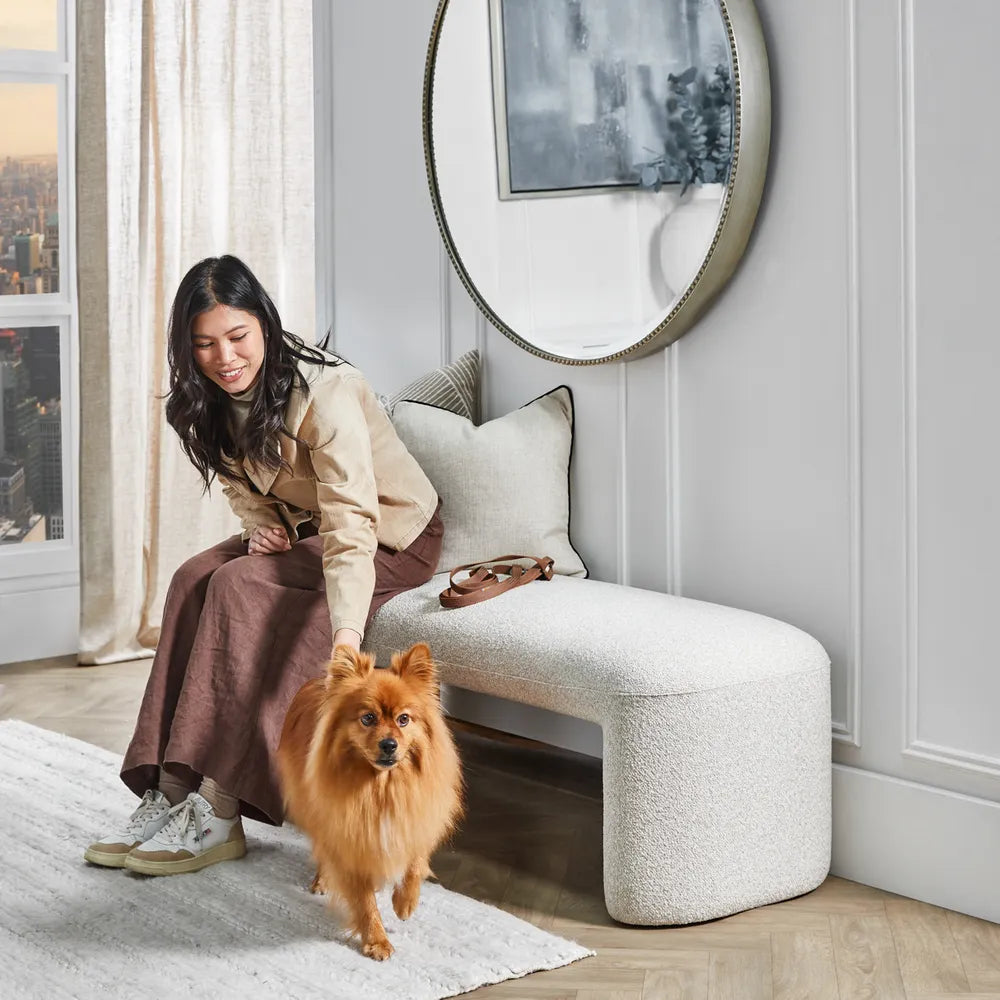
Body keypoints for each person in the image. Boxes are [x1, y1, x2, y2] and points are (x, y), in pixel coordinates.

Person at [84, 255, 442, 875]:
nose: (225, 357)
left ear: (265, 326)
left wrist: (347, 639)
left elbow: (353, 525)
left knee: (240, 586)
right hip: (306, 527)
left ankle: (220, 808)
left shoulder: (325, 395)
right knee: (194, 576)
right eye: (205, 344)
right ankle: (170, 788)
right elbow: (242, 486)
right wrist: (262, 527)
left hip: (390, 534)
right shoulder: (211, 397)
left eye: (237, 336)